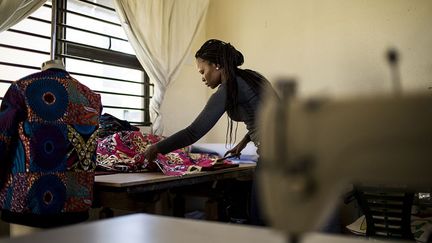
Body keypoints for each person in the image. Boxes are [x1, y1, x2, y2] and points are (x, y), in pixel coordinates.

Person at [144, 39, 275, 225]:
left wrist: (157, 148)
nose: (203, 77)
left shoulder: (229, 88)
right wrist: (244, 142)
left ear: (217, 65)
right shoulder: (252, 78)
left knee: (260, 223)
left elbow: (193, 132)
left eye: (203, 71)